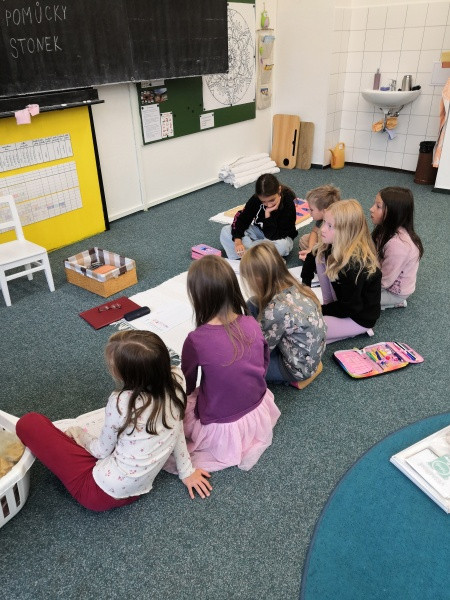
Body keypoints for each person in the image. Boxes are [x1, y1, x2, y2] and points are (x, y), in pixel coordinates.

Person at [16, 331, 212, 512]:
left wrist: (78, 434)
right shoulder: (177, 378)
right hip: (136, 489)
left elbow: (101, 451)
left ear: (129, 374)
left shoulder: (121, 401)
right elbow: (176, 428)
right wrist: (186, 471)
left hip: (98, 491)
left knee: (29, 423)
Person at [165, 255, 280, 473]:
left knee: (180, 406)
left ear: (198, 297)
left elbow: (186, 384)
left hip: (220, 424)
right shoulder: (251, 322)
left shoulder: (196, 340)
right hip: (257, 407)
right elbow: (263, 363)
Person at [240, 242, 326, 389]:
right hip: (310, 354)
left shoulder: (276, 310)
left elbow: (260, 352)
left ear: (259, 278)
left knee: (241, 369)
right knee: (253, 303)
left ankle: (292, 380)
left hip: (297, 368)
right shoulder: (296, 288)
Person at [315, 199, 382, 344]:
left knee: (307, 329)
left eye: (330, 226)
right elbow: (313, 257)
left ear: (347, 232)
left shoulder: (354, 267)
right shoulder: (331, 246)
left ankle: (352, 330)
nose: (322, 229)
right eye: (324, 222)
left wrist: (320, 310)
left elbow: (351, 307)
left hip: (358, 317)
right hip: (344, 304)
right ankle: (329, 314)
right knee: (319, 256)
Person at [220, 173, 297, 260]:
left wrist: (267, 215)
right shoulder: (256, 199)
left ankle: (250, 254)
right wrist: (238, 240)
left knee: (282, 246)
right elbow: (242, 218)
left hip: (279, 237)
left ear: (279, 190)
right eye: (263, 201)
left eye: (272, 200)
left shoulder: (288, 202)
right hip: (260, 232)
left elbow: (274, 236)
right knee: (226, 231)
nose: (268, 205)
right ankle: (258, 256)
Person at [370, 187, 424, 309]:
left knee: (357, 299)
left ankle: (394, 302)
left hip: (394, 292)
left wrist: (365, 288)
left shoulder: (398, 247)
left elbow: (385, 281)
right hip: (383, 274)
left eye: (378, 206)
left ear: (393, 213)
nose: (371, 209)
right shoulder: (385, 228)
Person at [299, 184, 341, 261]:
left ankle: (319, 260)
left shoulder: (338, 222)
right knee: (304, 239)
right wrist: (310, 249)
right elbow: (314, 232)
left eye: (311, 210)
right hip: (325, 243)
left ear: (324, 211)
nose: (309, 212)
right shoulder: (322, 218)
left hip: (337, 248)